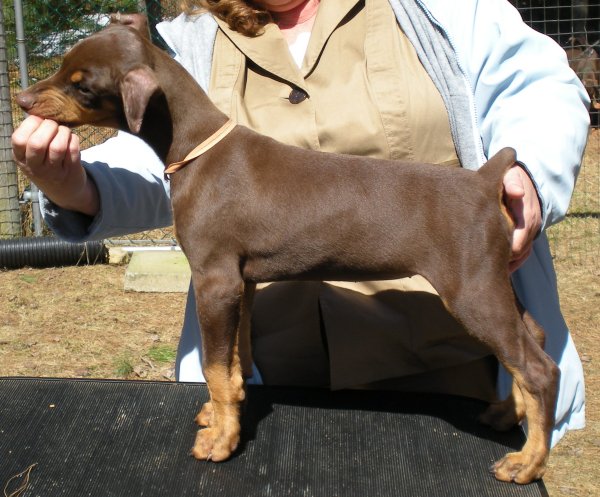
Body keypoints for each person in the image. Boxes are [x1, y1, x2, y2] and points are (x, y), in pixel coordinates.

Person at [12, 0, 589, 447]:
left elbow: (538, 86)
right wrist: (74, 183)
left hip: (444, 367)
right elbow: (158, 154)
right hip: (278, 384)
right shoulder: (190, 40)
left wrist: (530, 173)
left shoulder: (439, 7)